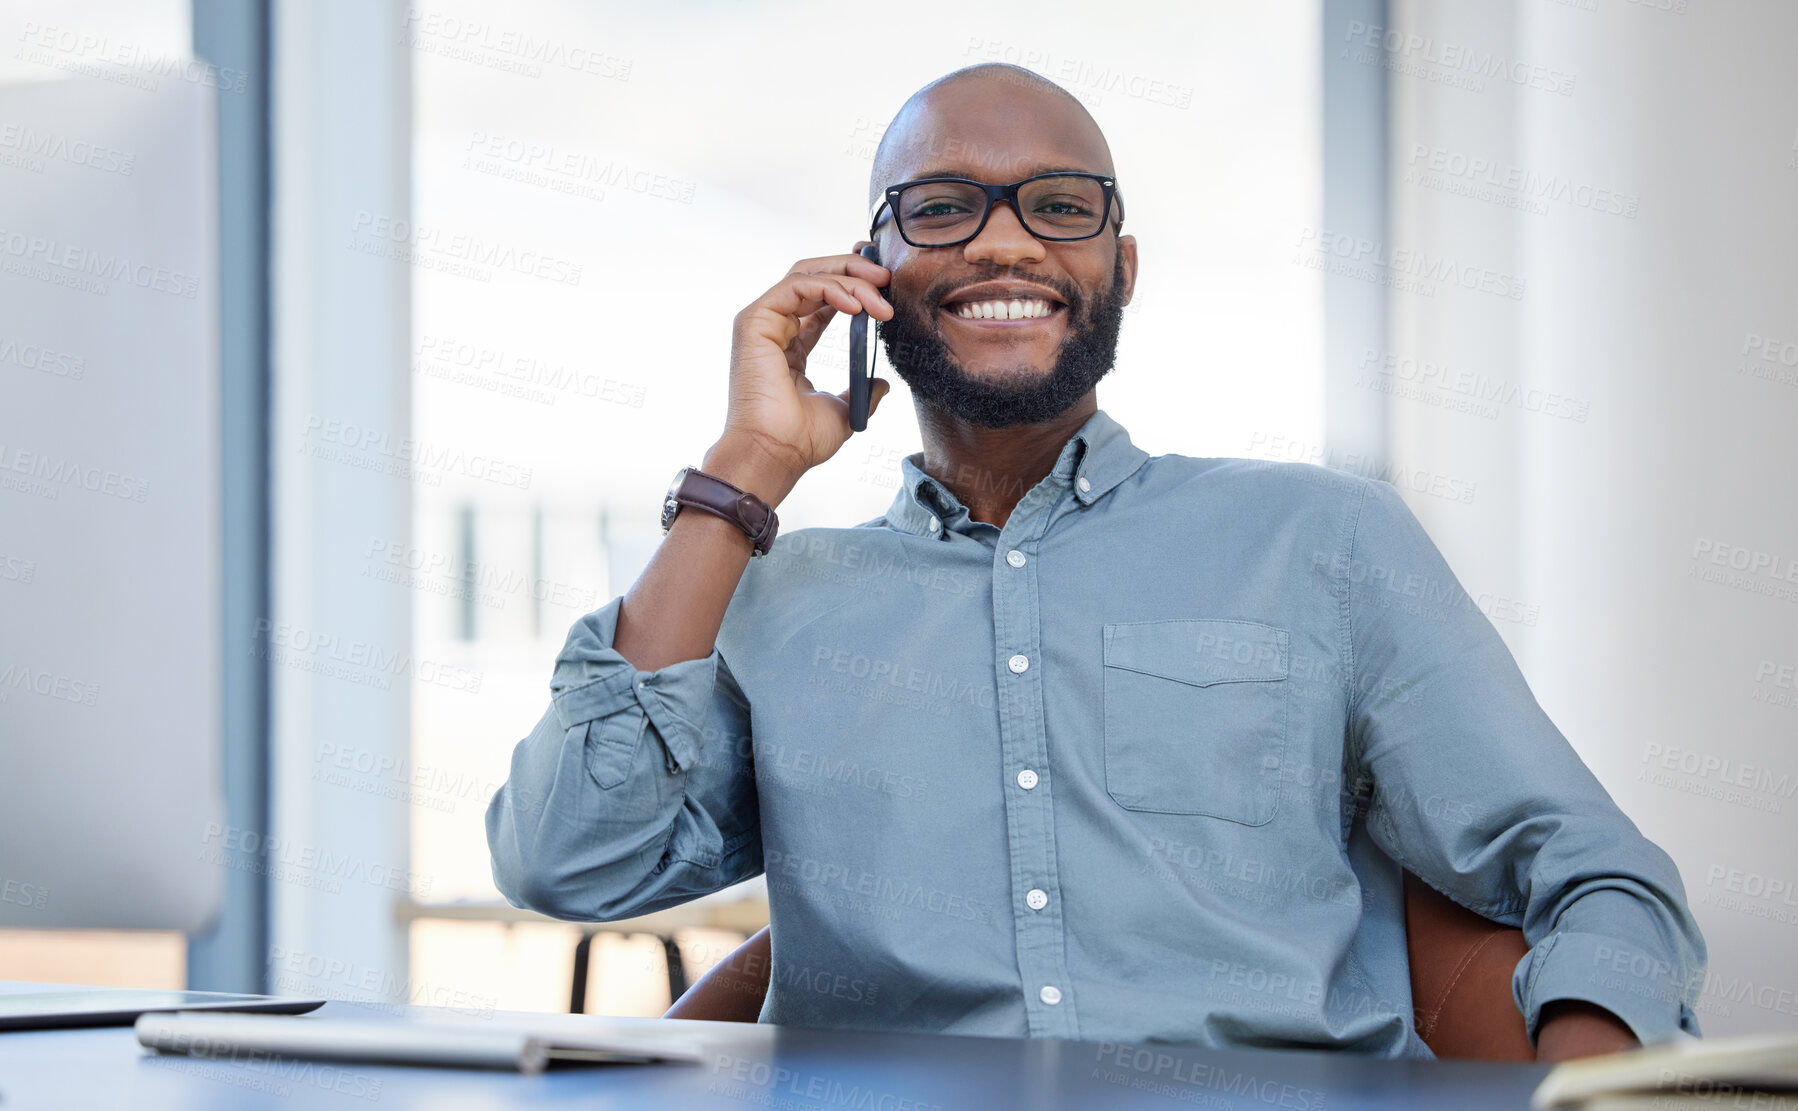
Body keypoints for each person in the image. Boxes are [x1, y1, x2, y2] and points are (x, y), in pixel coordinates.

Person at [485, 63, 1705, 1062]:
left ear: (1121, 266)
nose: (1004, 243)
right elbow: (568, 858)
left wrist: (1580, 1099)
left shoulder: (1323, 539)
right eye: (943, 204)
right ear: (869, 277)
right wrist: (743, 470)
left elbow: (1597, 877)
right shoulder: (780, 595)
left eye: (1059, 206)